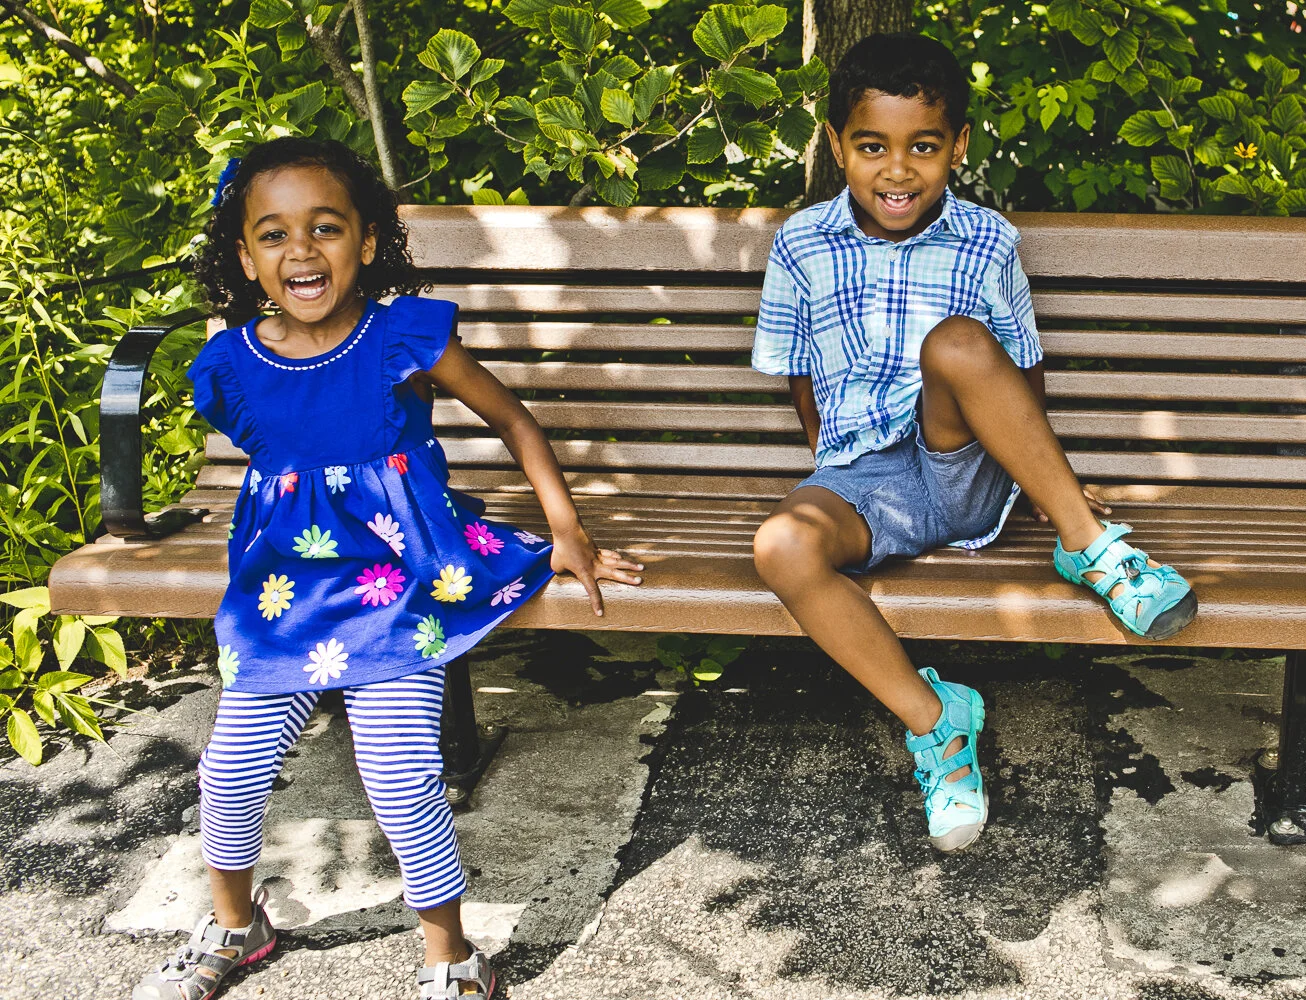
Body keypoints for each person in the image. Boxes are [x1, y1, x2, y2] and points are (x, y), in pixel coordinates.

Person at [133, 137, 644, 1000]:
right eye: (273, 234)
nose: (302, 251)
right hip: (283, 602)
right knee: (226, 773)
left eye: (326, 228)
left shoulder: (398, 337)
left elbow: (515, 421)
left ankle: (451, 958)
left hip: (403, 592)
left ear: (367, 243)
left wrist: (567, 529)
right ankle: (233, 925)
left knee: (401, 781)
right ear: (245, 256)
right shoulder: (231, 368)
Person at [751, 33, 1197, 854]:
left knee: (956, 342)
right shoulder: (801, 244)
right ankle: (937, 723)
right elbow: (798, 372)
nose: (897, 171)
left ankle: (1090, 548)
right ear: (838, 146)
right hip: (865, 481)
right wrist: (829, 468)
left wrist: (1047, 486)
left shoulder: (987, 240)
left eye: (923, 147)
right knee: (780, 545)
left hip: (961, 471)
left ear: (957, 146)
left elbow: (1018, 373)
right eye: (871, 147)